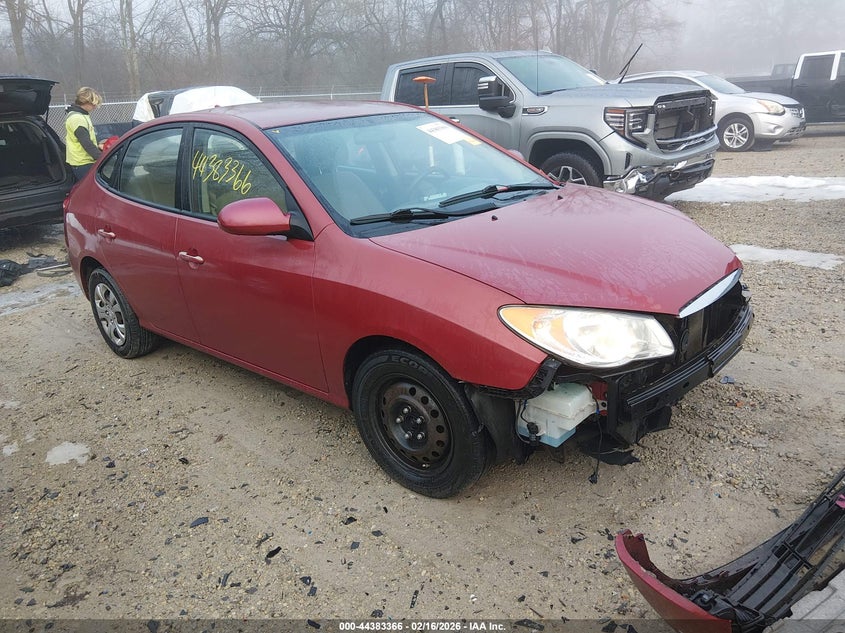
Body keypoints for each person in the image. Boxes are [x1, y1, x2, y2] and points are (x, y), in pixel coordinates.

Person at [65, 87, 103, 180]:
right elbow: (86, 143)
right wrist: (102, 158)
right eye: (94, 104)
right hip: (82, 163)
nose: (95, 107)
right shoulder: (77, 118)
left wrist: (98, 146)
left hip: (84, 161)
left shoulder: (81, 115)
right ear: (86, 101)